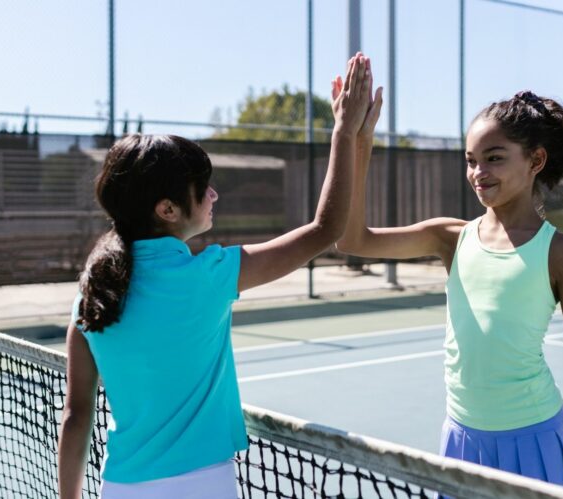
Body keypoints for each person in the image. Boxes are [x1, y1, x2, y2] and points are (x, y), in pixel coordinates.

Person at [57, 53, 378, 499]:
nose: (213, 194)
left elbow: (77, 417)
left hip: (120, 487)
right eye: (201, 188)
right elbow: (326, 229)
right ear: (167, 209)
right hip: (203, 485)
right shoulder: (211, 275)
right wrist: (345, 132)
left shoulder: (89, 300)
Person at [336, 90, 563, 498]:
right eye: (471, 161)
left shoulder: (562, 254)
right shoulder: (449, 238)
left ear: (535, 161)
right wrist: (358, 140)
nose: (478, 172)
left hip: (535, 440)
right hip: (462, 442)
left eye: (494, 158)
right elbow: (351, 239)